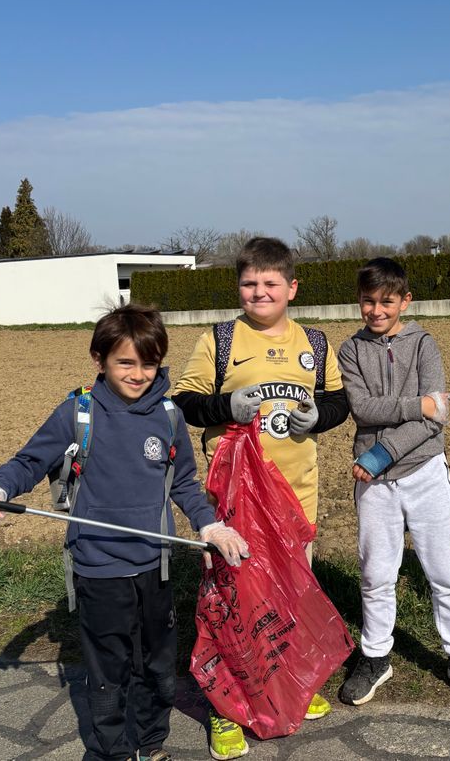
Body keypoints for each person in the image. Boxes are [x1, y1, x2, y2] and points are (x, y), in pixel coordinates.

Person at [0, 304, 249, 761]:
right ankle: (112, 751)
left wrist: (209, 524)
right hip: (99, 568)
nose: (138, 374)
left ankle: (150, 743)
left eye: (149, 363)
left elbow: (184, 483)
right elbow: (30, 461)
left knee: (157, 667)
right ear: (100, 359)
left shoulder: (169, 415)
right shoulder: (78, 412)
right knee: (108, 673)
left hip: (156, 565)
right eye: (125, 362)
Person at [173, 236, 349, 760]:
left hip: (296, 495)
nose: (259, 292)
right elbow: (185, 401)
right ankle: (224, 708)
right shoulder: (219, 340)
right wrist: (226, 405)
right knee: (232, 602)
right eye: (249, 283)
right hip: (235, 498)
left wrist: (319, 416)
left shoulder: (314, 342)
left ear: (292, 288)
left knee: (291, 593)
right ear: (238, 287)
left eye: (271, 283)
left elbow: (338, 400)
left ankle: (287, 685)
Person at [335, 257, 450, 708]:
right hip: (374, 484)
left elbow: (436, 417)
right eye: (368, 301)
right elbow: (363, 409)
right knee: (375, 574)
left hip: (423, 472)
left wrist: (382, 452)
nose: (376, 310)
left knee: (446, 573)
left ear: (405, 301)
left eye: (386, 301)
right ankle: (375, 656)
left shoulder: (424, 344)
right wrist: (417, 404)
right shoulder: (350, 350)